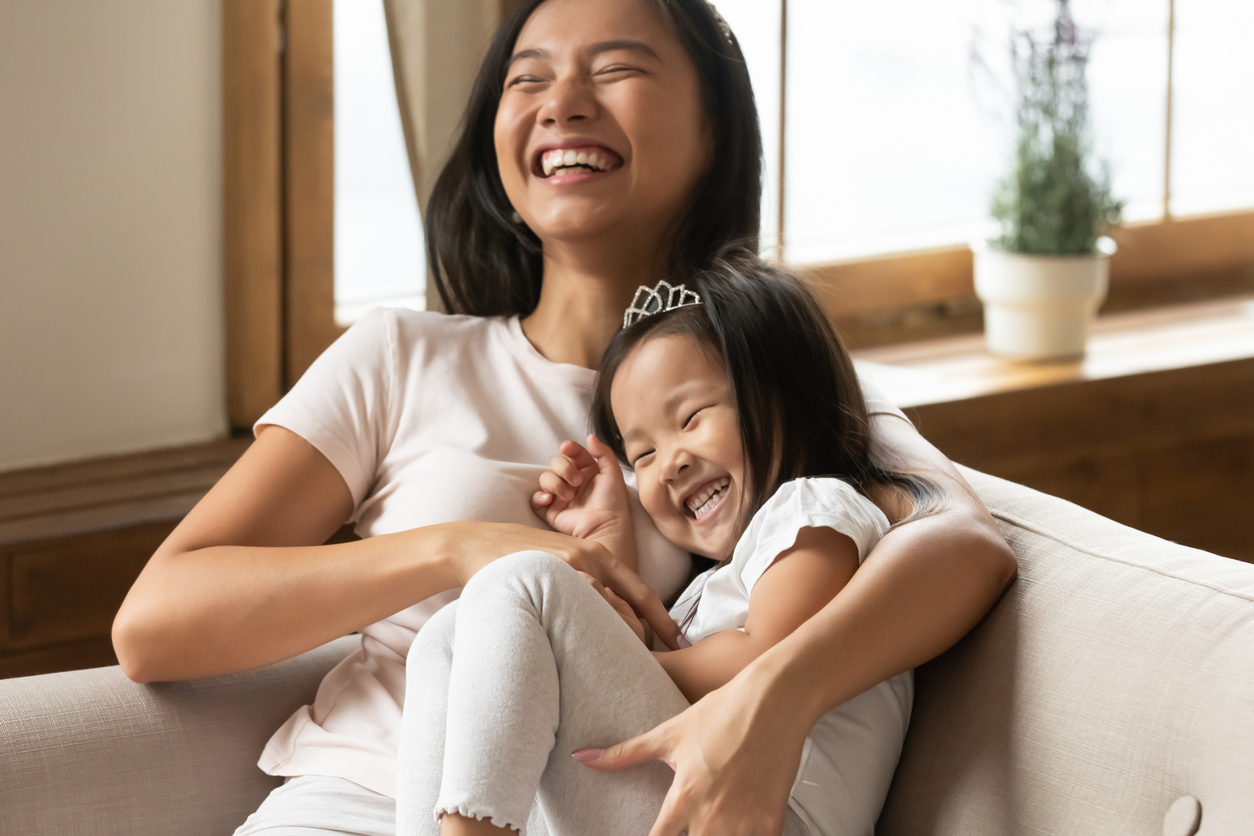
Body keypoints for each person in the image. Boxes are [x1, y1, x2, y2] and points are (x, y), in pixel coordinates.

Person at [111, 1, 1016, 834]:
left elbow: (965, 547)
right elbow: (154, 625)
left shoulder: (765, 377)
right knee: (472, 624)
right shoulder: (400, 354)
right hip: (354, 794)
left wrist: (775, 694)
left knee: (519, 605)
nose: (562, 103)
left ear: (716, 130)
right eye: (528, 78)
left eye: (616, 69)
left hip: (584, 806)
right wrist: (460, 549)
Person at [396, 256, 942, 835]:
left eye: (692, 417)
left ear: (784, 392)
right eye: (643, 455)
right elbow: (647, 688)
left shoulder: (816, 509)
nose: (671, 464)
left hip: (759, 808)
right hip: (696, 791)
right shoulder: (716, 582)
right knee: (445, 635)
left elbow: (765, 656)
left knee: (523, 583)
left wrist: (586, 646)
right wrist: (609, 551)